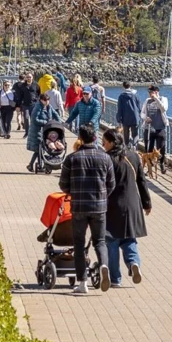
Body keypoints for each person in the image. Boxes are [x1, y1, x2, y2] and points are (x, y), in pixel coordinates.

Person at [59, 124, 116, 294]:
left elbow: (63, 184)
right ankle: (104, 265)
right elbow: (111, 183)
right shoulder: (105, 158)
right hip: (99, 207)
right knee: (100, 241)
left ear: (80, 139)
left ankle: (82, 282)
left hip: (79, 207)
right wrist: (103, 195)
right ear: (96, 138)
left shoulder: (72, 158)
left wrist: (71, 191)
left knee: (78, 243)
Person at [102, 128, 151, 287]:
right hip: (132, 204)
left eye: (104, 142)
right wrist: (147, 203)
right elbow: (142, 182)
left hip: (112, 204)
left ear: (110, 142)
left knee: (112, 241)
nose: (103, 145)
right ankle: (133, 263)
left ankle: (115, 278)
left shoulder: (106, 159)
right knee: (129, 238)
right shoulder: (134, 156)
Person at [26, 92, 61, 173]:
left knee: (39, 149)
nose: (47, 102)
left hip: (46, 130)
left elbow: (55, 114)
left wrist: (58, 122)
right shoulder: (38, 107)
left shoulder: (49, 106)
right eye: (45, 100)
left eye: (48, 100)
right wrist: (46, 122)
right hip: (37, 130)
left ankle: (31, 165)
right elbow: (35, 119)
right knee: (39, 149)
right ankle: (37, 164)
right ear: (41, 100)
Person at [140, 85, 170, 173]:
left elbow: (164, 109)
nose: (149, 94)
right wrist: (145, 118)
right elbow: (142, 113)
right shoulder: (147, 101)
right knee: (148, 148)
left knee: (161, 148)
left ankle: (161, 164)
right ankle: (149, 168)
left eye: (151, 92)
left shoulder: (163, 99)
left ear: (156, 92)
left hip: (160, 128)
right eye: (149, 92)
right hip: (149, 128)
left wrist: (156, 98)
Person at [116, 81, 143, 147]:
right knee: (135, 134)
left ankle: (126, 148)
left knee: (126, 134)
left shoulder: (121, 96)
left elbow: (119, 109)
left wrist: (118, 119)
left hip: (125, 118)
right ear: (130, 86)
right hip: (135, 117)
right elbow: (139, 108)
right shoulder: (136, 95)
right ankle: (135, 148)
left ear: (123, 87)